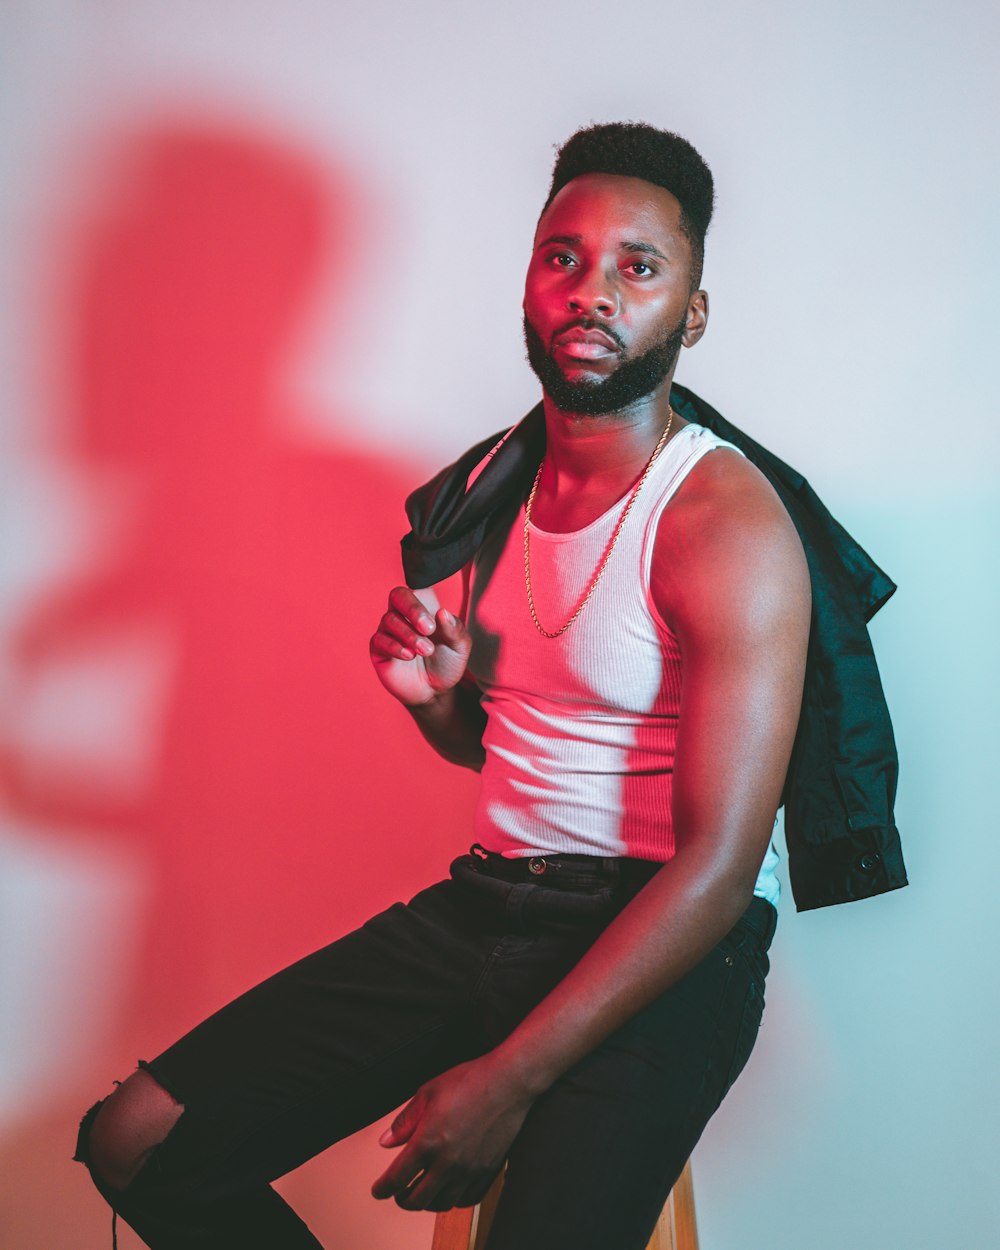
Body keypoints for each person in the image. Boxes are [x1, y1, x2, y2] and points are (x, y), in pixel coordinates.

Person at [74, 122, 899, 1249]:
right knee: (139, 1135)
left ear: (690, 314)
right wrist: (443, 702)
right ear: (526, 281)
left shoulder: (719, 522)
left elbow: (714, 869)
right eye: (563, 257)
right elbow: (504, 750)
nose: (591, 291)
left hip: (666, 946)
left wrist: (508, 1077)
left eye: (637, 266)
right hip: (488, 904)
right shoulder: (489, 491)